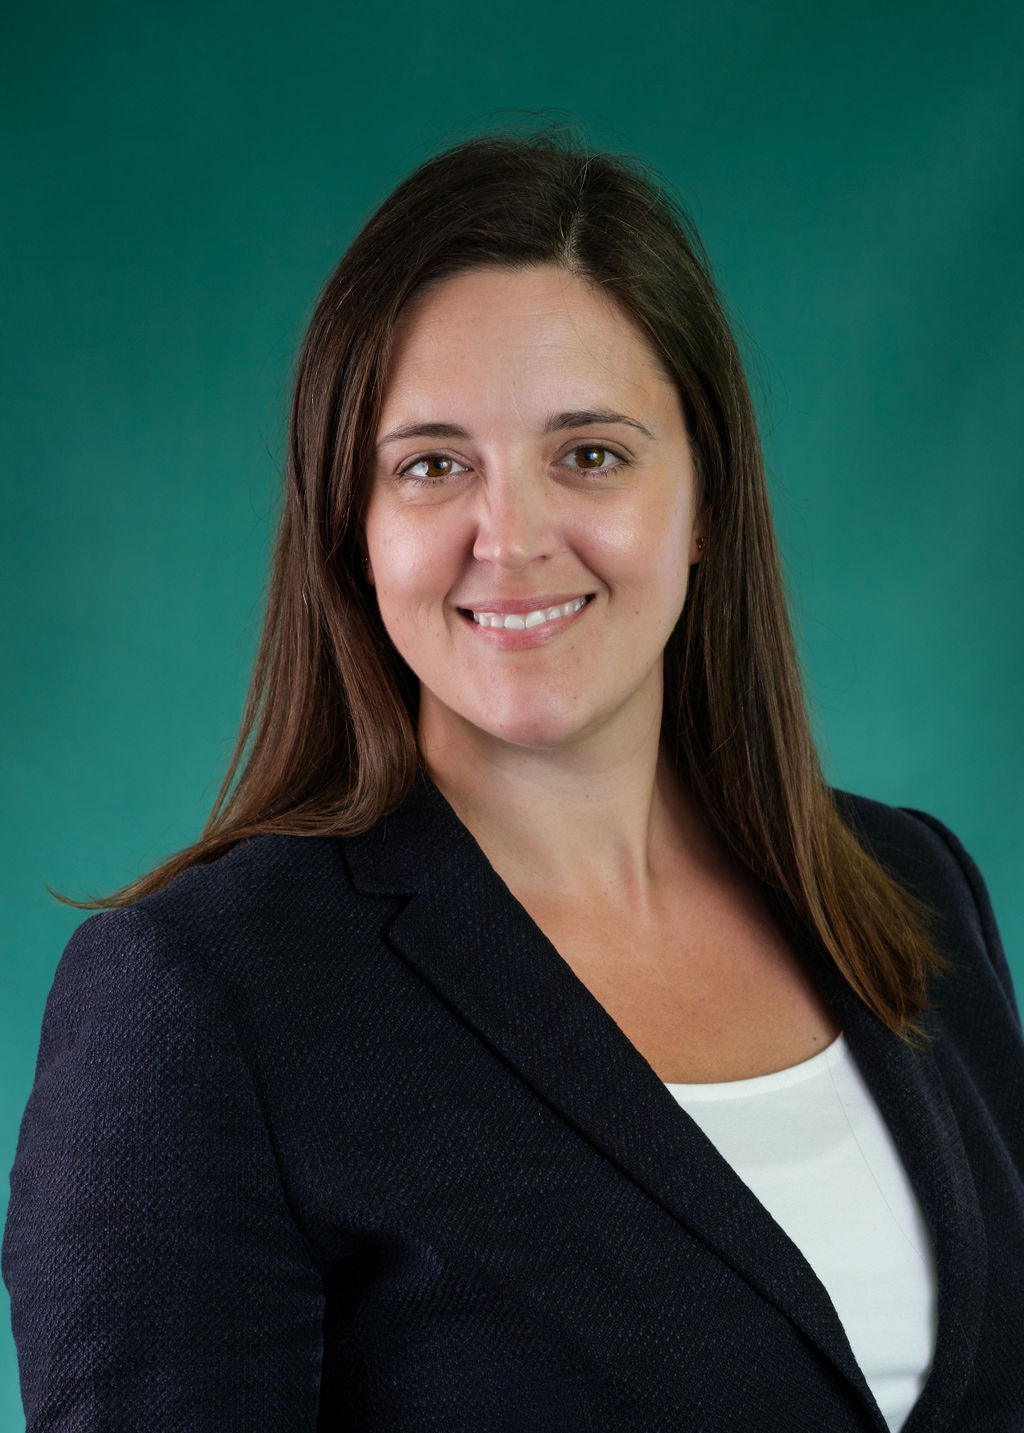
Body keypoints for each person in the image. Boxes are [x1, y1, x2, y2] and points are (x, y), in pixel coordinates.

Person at [4, 133, 1023, 1433]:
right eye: (433, 464)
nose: (516, 535)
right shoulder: (208, 997)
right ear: (351, 528)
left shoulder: (910, 888)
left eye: (589, 452)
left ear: (704, 496)